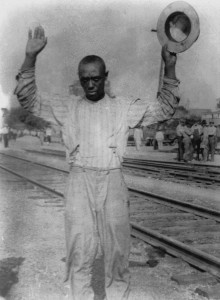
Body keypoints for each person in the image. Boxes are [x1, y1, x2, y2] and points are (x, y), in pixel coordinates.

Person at [14, 25, 180, 300]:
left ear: (105, 77)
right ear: (79, 80)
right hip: (79, 181)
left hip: (113, 180)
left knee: (117, 252)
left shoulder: (123, 106)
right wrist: (30, 57)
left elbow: (164, 107)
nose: (90, 84)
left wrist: (170, 67)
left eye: (95, 78)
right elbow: (29, 100)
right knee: (79, 251)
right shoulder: (68, 106)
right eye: (84, 79)